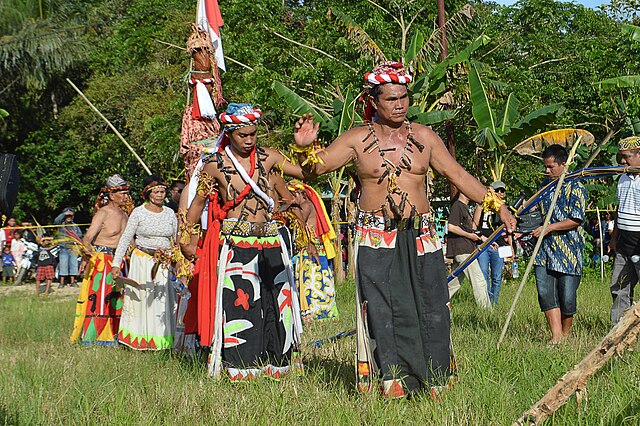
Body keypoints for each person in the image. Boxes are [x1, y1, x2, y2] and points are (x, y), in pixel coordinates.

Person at [292, 61, 516, 397]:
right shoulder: (356, 139)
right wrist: (304, 146)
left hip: (421, 237)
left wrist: (499, 206)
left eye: (404, 98)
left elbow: (458, 176)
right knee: (382, 309)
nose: (399, 105)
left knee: (431, 306)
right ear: (374, 102)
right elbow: (314, 169)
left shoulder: (424, 137)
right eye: (391, 99)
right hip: (374, 235)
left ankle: (434, 381)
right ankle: (391, 382)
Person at [181, 103, 305, 380]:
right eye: (242, 135)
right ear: (230, 133)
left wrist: (302, 149)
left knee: (277, 303)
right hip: (236, 243)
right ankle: (242, 367)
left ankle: (279, 363)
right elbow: (197, 205)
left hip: (272, 240)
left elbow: (304, 175)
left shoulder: (271, 157)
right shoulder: (213, 165)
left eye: (253, 134)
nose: (249, 140)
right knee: (242, 305)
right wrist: (187, 241)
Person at [111, 175, 178, 350]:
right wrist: (116, 264)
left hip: (164, 263)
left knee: (162, 301)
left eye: (162, 191)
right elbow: (126, 238)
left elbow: (176, 240)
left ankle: (162, 342)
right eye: (156, 192)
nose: (160, 195)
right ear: (148, 194)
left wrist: (178, 263)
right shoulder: (138, 213)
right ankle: (138, 340)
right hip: (142, 262)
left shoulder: (170, 213)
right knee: (141, 300)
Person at [531, 144, 586, 345]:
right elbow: (535, 210)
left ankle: (565, 335)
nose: (547, 171)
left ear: (564, 164)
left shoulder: (576, 187)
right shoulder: (544, 187)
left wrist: (550, 227)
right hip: (544, 250)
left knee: (568, 297)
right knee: (545, 293)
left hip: (569, 250)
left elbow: (576, 219)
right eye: (545, 167)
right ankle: (556, 337)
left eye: (551, 167)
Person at [71, 174, 131, 346]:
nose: (126, 196)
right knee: (99, 298)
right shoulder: (103, 213)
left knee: (118, 298)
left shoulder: (126, 215)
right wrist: (85, 253)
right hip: (102, 261)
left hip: (120, 261)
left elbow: (130, 241)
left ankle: (116, 335)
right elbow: (88, 237)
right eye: (123, 193)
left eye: (127, 193)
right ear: (112, 195)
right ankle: (95, 337)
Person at [288, 181, 339, 322]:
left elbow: (298, 220)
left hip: (311, 249)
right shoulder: (305, 205)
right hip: (310, 249)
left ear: (302, 194)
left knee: (311, 283)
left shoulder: (304, 206)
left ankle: (315, 315)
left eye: (293, 195)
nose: (290, 198)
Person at [609, 136, 640, 324]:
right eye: (621, 157)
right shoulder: (622, 178)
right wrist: (614, 239)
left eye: (627, 157)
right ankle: (618, 328)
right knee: (619, 286)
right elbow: (619, 211)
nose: (622, 161)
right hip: (623, 243)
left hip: (639, 240)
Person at [447, 191, 491, 309]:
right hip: (462, 250)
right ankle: (486, 313)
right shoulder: (457, 206)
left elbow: (470, 229)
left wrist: (487, 240)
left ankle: (437, 305)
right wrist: (469, 235)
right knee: (479, 281)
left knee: (453, 284)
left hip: (464, 249)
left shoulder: (465, 208)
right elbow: (451, 226)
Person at [474, 181, 512, 304]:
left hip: (499, 245)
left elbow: (509, 229)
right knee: (483, 275)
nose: (499, 193)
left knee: (497, 277)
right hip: (483, 243)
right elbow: (474, 224)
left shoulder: (505, 208)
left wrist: (511, 247)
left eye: (502, 191)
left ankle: (494, 302)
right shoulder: (482, 205)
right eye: (497, 190)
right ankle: (486, 303)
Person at [55, 207, 82, 288]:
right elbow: (56, 220)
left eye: (70, 216)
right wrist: (64, 213)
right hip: (63, 247)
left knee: (73, 264)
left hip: (73, 248)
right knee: (63, 264)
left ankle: (73, 281)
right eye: (67, 216)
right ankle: (62, 282)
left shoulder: (75, 226)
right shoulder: (61, 224)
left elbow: (80, 235)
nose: (69, 217)